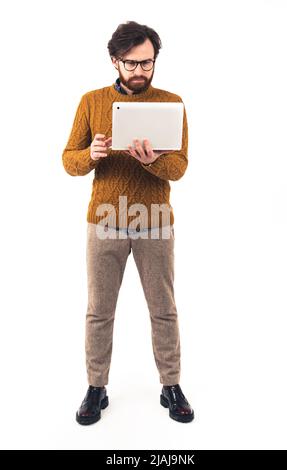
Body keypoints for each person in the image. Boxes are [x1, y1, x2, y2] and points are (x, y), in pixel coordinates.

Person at [62, 20, 194, 425]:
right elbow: (69, 159)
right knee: (99, 310)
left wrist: (153, 161)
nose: (140, 72)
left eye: (148, 63)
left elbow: (180, 167)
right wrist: (92, 155)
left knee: (164, 309)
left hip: (155, 220)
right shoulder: (91, 101)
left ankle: (170, 385)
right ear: (114, 60)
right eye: (132, 64)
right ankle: (96, 387)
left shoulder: (172, 103)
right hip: (105, 219)